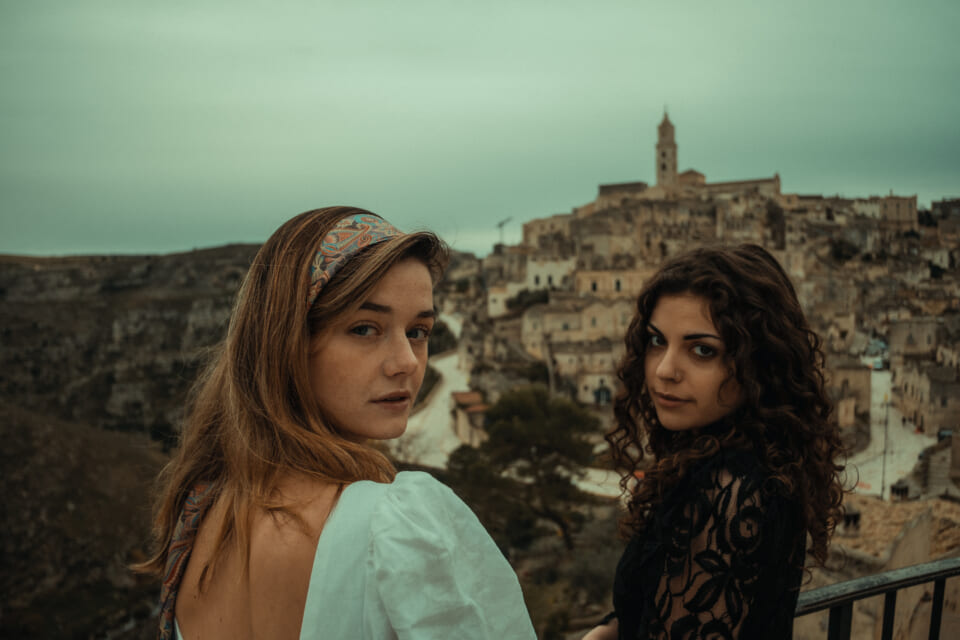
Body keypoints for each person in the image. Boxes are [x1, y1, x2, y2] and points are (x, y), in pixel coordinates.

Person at [135, 207, 536, 640]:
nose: (406, 362)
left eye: (418, 331)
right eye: (365, 329)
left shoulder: (201, 518)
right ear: (288, 342)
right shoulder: (392, 529)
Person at [583, 244, 846, 639]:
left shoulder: (730, 491)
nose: (665, 370)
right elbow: (656, 606)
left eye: (702, 350)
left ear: (757, 364)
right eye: (657, 341)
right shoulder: (743, 454)